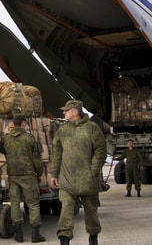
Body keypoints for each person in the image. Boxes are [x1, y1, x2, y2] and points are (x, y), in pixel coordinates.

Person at [50, 100, 107, 245]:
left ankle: (93, 237)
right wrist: (54, 174)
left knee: (91, 212)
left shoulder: (92, 128)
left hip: (87, 179)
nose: (63, 113)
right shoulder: (62, 131)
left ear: (75, 112)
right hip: (67, 179)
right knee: (66, 209)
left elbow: (101, 151)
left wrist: (93, 170)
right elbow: (57, 154)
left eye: (66, 110)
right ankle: (64, 239)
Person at [0, 113, 46, 243]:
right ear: (24, 123)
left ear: (13, 123)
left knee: (14, 204)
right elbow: (37, 160)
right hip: (28, 175)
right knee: (33, 203)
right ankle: (35, 234)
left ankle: (19, 234)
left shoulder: (7, 139)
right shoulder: (29, 138)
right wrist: (39, 174)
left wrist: (5, 134)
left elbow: (1, 148)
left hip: (13, 175)